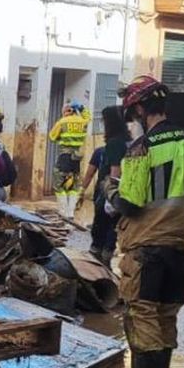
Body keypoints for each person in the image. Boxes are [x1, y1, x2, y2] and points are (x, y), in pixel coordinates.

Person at [105, 75, 184, 368]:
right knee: (165, 321)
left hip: (146, 250)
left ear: (138, 108)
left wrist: (110, 192)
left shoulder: (141, 148)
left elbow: (131, 203)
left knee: (141, 320)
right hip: (179, 250)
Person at [79, 106, 126, 266]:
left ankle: (98, 268)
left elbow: (115, 172)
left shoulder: (113, 145)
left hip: (107, 196)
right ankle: (105, 264)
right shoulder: (129, 143)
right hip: (120, 196)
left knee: (100, 230)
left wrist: (110, 198)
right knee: (112, 231)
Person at [49, 100, 91, 219]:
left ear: (65, 111)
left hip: (64, 157)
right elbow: (88, 116)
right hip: (77, 158)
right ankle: (71, 212)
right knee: (75, 185)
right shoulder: (82, 122)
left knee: (59, 184)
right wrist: (82, 107)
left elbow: (52, 137)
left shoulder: (62, 122)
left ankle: (63, 211)